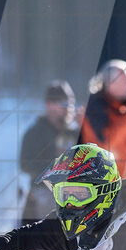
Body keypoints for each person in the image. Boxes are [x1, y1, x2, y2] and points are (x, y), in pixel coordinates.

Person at [79, 60, 126, 188]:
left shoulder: (125, 107)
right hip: (108, 189)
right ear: (111, 83)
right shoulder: (94, 109)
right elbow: (107, 143)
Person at [19, 80, 80, 224]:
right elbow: (25, 164)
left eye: (71, 104)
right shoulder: (35, 133)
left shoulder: (75, 132)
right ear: (49, 105)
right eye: (64, 104)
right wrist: (57, 166)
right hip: (43, 196)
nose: (69, 109)